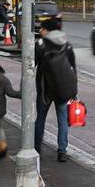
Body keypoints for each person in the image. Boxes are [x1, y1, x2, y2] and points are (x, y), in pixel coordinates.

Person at [34, 16, 77, 162]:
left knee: (40, 118)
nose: (40, 31)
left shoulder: (40, 45)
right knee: (63, 120)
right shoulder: (67, 45)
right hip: (63, 89)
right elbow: (73, 69)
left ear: (47, 30)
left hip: (45, 89)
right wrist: (73, 91)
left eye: (42, 28)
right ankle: (62, 151)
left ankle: (36, 147)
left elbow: (31, 64)